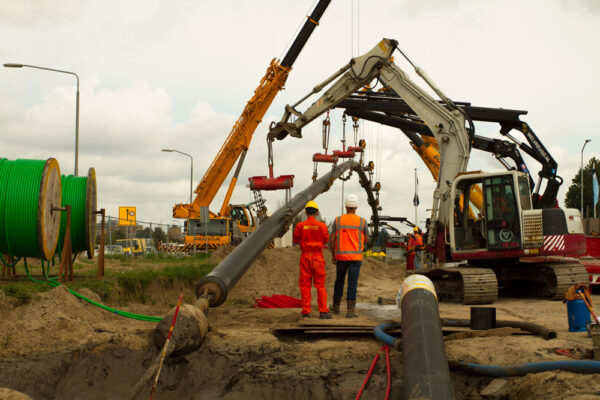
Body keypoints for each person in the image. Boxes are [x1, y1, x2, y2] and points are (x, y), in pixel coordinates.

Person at [329, 194, 369, 318]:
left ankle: (336, 307)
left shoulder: (338, 220)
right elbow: (367, 239)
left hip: (341, 257)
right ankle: (350, 311)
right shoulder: (362, 221)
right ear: (356, 206)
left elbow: (333, 239)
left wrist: (333, 254)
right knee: (352, 283)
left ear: (346, 206)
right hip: (356, 258)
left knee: (339, 281)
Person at [292, 200, 332, 319]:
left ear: (305, 212)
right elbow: (325, 240)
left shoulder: (300, 226)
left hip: (305, 257)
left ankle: (306, 312)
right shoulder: (322, 226)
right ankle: (323, 311)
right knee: (320, 285)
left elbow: (295, 240)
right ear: (317, 212)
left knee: (305, 285)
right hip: (318, 257)